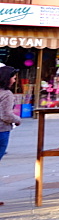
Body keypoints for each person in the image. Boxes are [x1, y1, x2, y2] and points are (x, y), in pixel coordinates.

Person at [0, 65, 20, 206]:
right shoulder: (7, 94)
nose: (14, 80)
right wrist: (18, 120)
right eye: (13, 77)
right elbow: (6, 115)